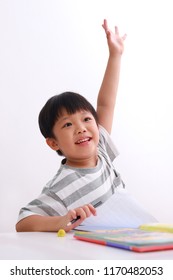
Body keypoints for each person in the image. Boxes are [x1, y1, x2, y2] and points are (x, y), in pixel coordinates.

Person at [16, 19, 155, 233]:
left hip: (128, 239)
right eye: (68, 124)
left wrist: (115, 55)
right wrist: (61, 220)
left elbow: (105, 104)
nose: (81, 128)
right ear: (53, 143)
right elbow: (23, 222)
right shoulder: (61, 185)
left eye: (87, 119)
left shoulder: (102, 151)